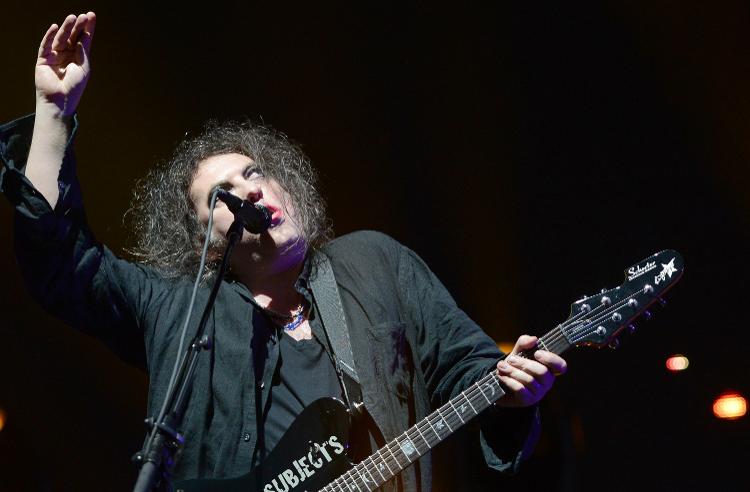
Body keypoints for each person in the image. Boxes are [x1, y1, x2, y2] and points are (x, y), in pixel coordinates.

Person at [0, 12, 567, 491]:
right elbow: (63, 264)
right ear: (201, 239)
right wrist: (53, 116)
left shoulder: (374, 262)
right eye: (223, 195)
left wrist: (514, 393)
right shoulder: (177, 311)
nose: (250, 188)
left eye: (255, 171)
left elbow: (465, 365)